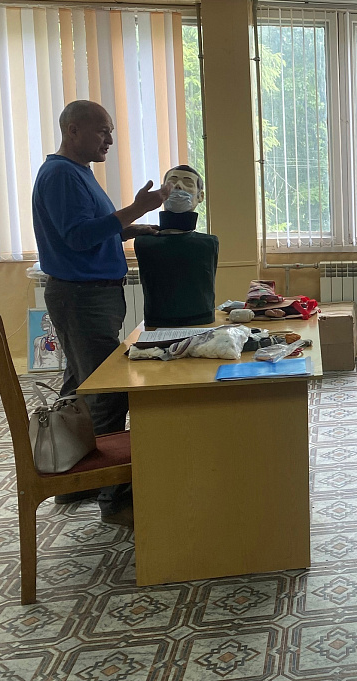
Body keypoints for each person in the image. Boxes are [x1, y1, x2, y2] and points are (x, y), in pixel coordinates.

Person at [31, 100, 170, 526]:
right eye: (102, 130)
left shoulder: (79, 172)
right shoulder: (60, 174)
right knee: (108, 391)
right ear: (72, 130)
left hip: (91, 294)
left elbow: (90, 231)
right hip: (82, 296)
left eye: (110, 131)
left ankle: (72, 480)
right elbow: (77, 237)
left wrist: (128, 229)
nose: (109, 139)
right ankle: (115, 500)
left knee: (80, 386)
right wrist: (137, 208)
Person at [134, 165, 220, 328]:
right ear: (162, 191)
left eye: (188, 183)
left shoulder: (208, 243)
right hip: (157, 322)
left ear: (200, 196)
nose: (179, 186)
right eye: (172, 182)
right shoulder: (144, 242)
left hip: (200, 320)